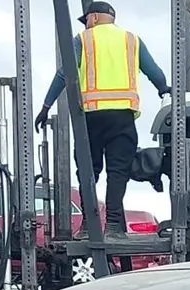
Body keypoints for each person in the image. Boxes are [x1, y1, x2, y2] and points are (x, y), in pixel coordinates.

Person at [35, 1, 170, 234]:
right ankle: (114, 225)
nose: (86, 24)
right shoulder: (131, 40)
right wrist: (164, 89)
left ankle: (89, 225)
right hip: (122, 117)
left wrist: (46, 106)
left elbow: (64, 74)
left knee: (88, 170)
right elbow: (154, 71)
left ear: (95, 17)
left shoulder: (83, 40)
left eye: (86, 19)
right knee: (118, 172)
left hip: (91, 118)